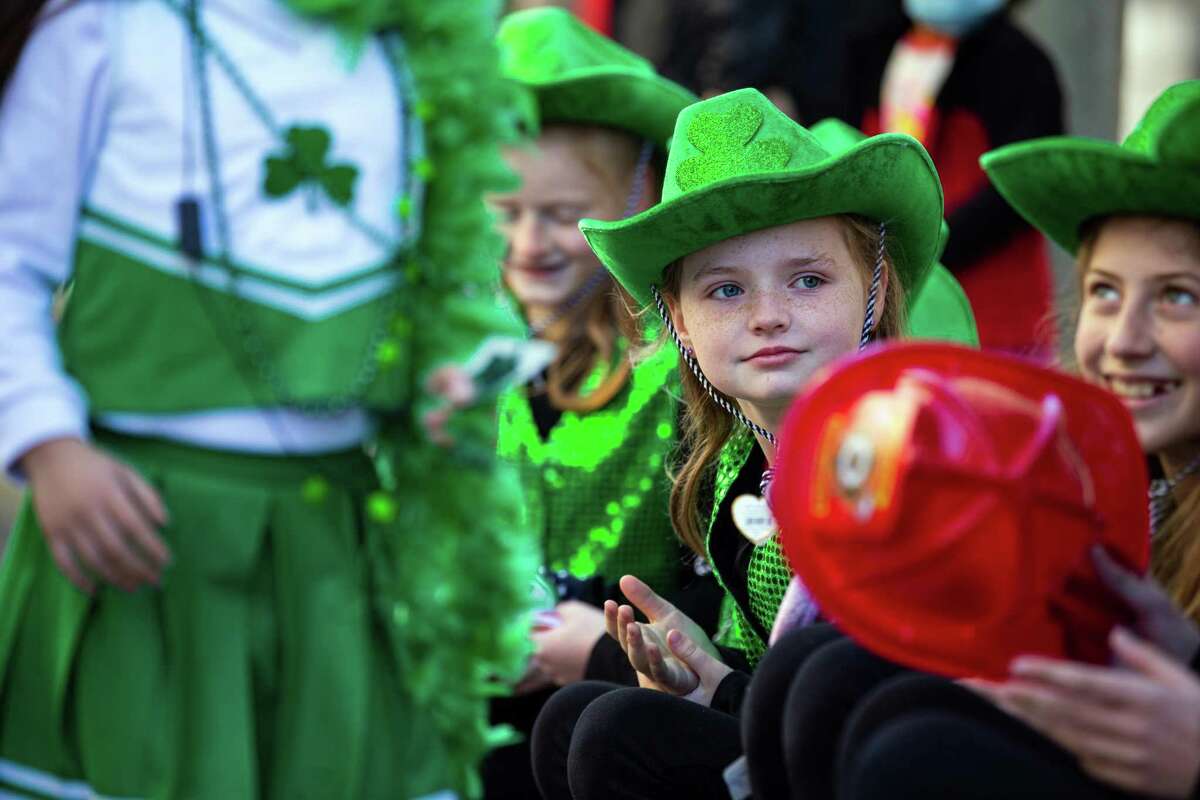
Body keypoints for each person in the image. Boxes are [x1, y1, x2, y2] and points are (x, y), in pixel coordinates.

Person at [0, 1, 535, 797]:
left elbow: (431, 284)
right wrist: (49, 445)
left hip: (339, 537)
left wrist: (432, 384)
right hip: (135, 520)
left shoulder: (419, 52)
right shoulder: (102, 33)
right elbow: (9, 259)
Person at [743, 79, 1200, 800]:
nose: (1125, 341)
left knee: (914, 750)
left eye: (1178, 296)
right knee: (827, 673)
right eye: (1107, 292)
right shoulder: (1079, 471)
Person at [527, 86, 963, 800]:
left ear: (875, 291)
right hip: (794, 741)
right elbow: (765, 677)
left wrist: (724, 693)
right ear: (680, 321)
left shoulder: (914, 455)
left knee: (613, 733)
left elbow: (863, 700)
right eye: (726, 291)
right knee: (572, 718)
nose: (768, 316)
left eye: (808, 279)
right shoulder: (731, 463)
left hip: (902, 760)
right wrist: (702, 673)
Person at [484, 9, 712, 798]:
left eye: (558, 213)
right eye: (504, 213)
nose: (527, 245)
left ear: (635, 193)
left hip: (617, 700)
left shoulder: (680, 363)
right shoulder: (467, 346)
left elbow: (714, 568)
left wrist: (601, 638)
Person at [844, 0, 1062, 360]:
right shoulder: (870, 49)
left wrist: (928, 239)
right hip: (897, 311)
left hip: (995, 314)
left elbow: (1025, 185)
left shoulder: (1021, 64)